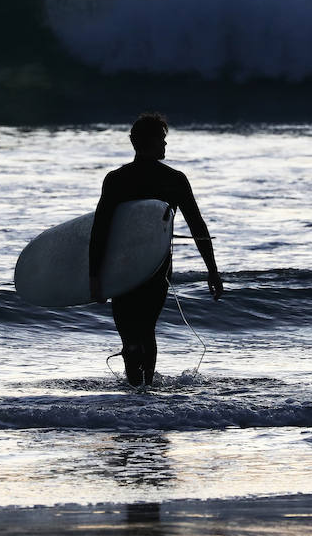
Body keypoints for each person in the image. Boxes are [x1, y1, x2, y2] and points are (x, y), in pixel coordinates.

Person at [89, 112, 224, 386]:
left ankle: (134, 392)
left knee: (129, 335)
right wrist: (212, 270)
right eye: (162, 140)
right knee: (146, 329)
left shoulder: (117, 179)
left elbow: (100, 230)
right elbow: (197, 226)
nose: (165, 146)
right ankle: (146, 394)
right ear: (149, 141)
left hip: (122, 266)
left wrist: (95, 275)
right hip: (157, 267)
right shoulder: (174, 179)